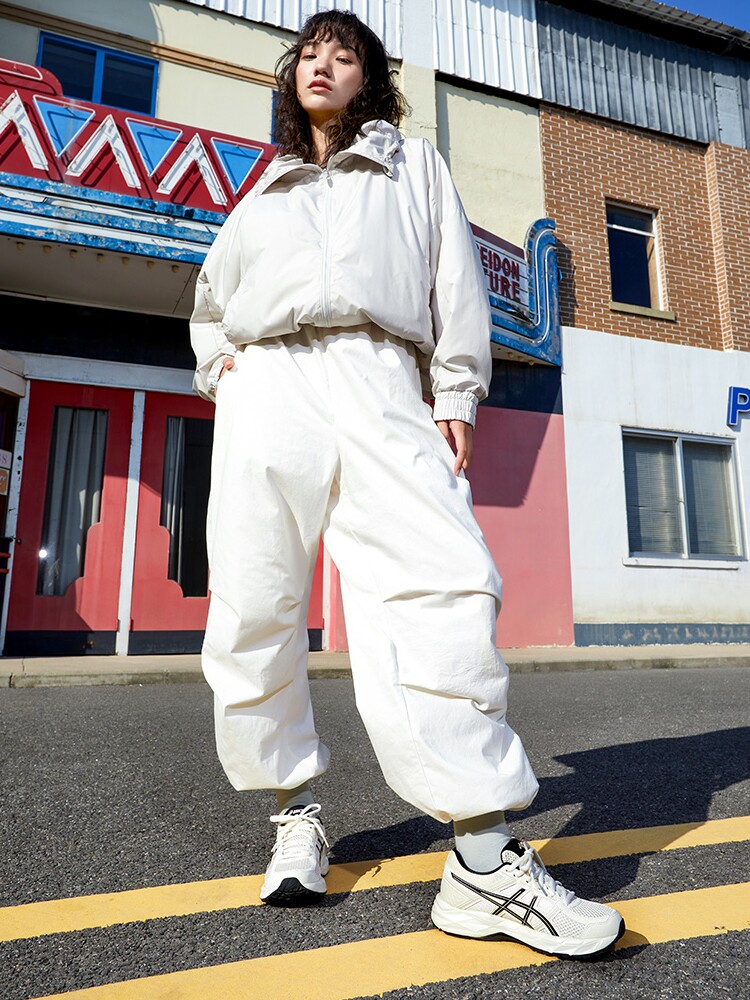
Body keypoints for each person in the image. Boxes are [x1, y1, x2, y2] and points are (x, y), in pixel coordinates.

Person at [190, 9, 624, 959]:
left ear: (370, 78)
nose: (322, 65)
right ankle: (293, 814)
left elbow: (453, 276)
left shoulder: (411, 166)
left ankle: (482, 860)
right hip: (270, 388)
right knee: (256, 602)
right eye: (309, 53)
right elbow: (211, 301)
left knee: (442, 583)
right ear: (290, 76)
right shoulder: (261, 192)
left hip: (380, 373)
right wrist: (225, 370)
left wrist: (456, 387)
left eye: (343, 55)